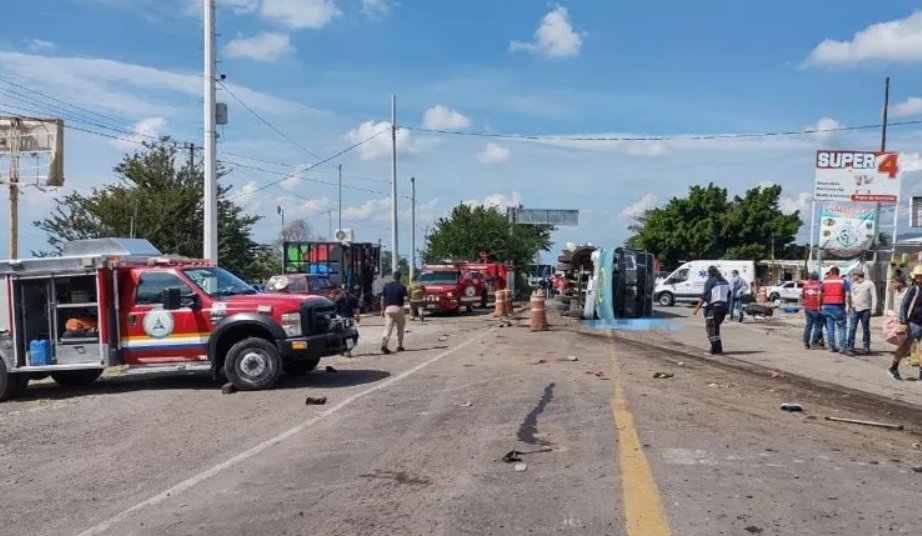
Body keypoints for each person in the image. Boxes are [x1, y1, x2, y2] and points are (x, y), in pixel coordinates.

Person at [889, 265, 922, 381]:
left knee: (921, 349)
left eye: (921, 276)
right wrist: (903, 322)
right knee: (904, 348)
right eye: (917, 277)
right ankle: (893, 368)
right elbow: (904, 305)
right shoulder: (914, 289)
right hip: (912, 324)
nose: (919, 279)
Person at [693, 266, 731, 355]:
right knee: (715, 328)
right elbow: (729, 294)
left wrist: (697, 308)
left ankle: (715, 350)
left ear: (709, 273)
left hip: (714, 307)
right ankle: (718, 349)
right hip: (724, 308)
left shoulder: (710, 281)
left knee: (711, 328)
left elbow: (704, 296)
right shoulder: (725, 281)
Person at [845, 269, 877, 356]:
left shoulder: (869, 283)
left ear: (858, 275)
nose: (852, 277)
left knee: (866, 328)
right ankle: (850, 346)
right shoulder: (853, 284)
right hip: (854, 309)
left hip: (865, 309)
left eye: (853, 275)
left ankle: (866, 346)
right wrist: (848, 307)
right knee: (852, 328)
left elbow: (874, 296)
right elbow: (850, 296)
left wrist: (873, 309)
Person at [822, 267, 851, 353]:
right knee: (842, 327)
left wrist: (820, 306)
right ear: (838, 273)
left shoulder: (825, 281)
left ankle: (831, 347)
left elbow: (820, 294)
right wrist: (849, 306)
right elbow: (848, 294)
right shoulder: (843, 281)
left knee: (830, 327)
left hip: (827, 306)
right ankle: (843, 348)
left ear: (831, 272)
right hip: (839, 306)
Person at [380, 271, 408, 354]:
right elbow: (406, 299)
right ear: (400, 277)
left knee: (388, 328)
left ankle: (384, 345)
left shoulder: (386, 286)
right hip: (398, 308)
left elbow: (382, 299)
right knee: (400, 329)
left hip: (388, 309)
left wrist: (382, 310)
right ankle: (399, 346)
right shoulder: (402, 287)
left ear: (393, 277)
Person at [335, 285, 360, 357]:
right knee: (350, 335)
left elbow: (336, 311)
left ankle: (341, 351)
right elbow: (356, 309)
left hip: (341, 319)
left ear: (340, 289)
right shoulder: (352, 297)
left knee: (342, 335)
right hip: (350, 318)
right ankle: (348, 351)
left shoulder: (338, 298)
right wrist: (358, 317)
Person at [802, 272, 825, 349]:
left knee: (808, 325)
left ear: (811, 278)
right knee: (818, 326)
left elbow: (803, 297)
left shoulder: (805, 286)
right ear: (817, 278)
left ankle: (806, 342)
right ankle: (814, 342)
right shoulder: (820, 286)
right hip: (816, 308)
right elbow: (821, 297)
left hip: (807, 308)